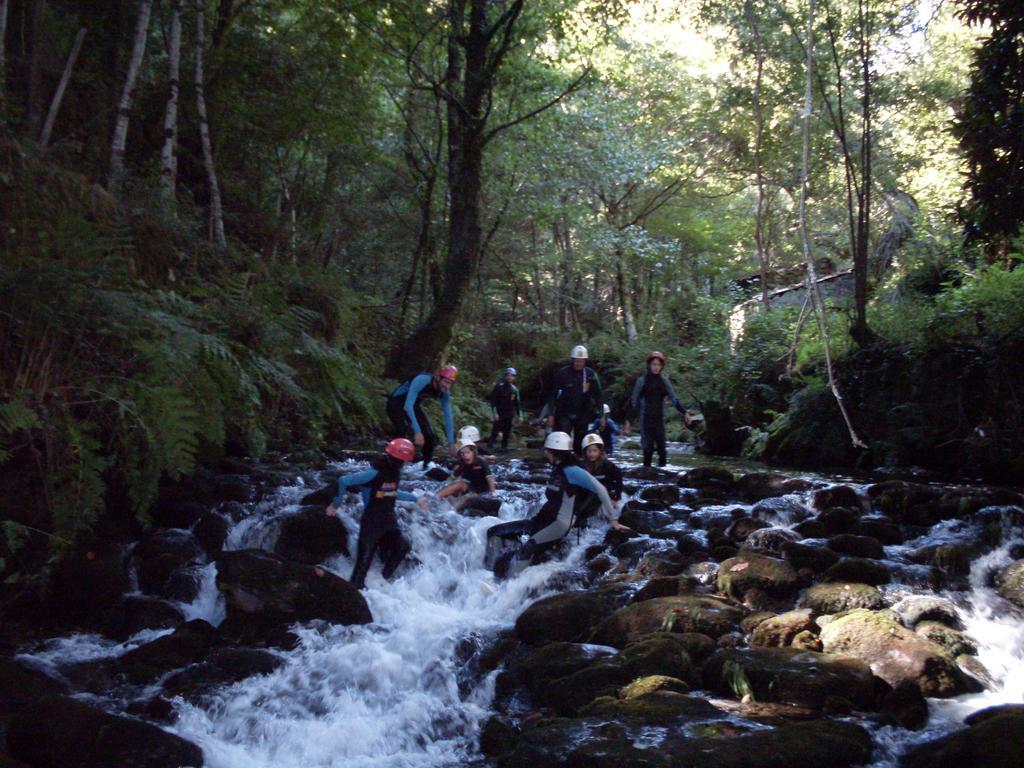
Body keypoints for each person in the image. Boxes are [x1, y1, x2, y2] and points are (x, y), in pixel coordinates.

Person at [484, 431, 628, 580]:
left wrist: (613, 521)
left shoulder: (573, 471)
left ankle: (504, 585)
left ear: (554, 451)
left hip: (557, 525)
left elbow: (601, 490)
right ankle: (487, 574)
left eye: (547, 450)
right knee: (494, 532)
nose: (546, 453)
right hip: (540, 521)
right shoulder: (558, 468)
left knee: (528, 548)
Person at [326, 438, 428, 589]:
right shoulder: (373, 474)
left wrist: (415, 499)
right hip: (371, 525)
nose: (406, 464)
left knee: (403, 546)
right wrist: (335, 504)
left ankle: (383, 580)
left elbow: (392, 492)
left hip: (389, 522)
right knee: (360, 571)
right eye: (405, 461)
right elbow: (343, 480)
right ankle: (357, 596)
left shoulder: (395, 473)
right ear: (398, 460)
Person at [625, 351, 693, 468]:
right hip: (645, 421)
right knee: (648, 450)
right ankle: (647, 479)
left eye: (658, 365)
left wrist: (685, 412)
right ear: (649, 365)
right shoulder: (642, 381)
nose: (656, 367)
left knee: (662, 451)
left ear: (661, 366)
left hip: (659, 421)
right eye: (653, 364)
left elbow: (674, 399)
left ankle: (663, 482)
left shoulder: (664, 381)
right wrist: (628, 421)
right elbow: (633, 402)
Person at [387, 365, 458, 468]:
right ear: (438, 378)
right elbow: (407, 406)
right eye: (446, 382)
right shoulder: (422, 380)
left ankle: (425, 467)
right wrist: (417, 431)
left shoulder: (444, 393)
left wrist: (451, 443)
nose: (447, 387)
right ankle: (394, 464)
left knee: (429, 436)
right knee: (401, 429)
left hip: (413, 406)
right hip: (396, 402)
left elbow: (448, 417)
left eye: (450, 383)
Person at [547, 345, 604, 456]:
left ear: (585, 361)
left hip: (583, 412)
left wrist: (601, 414)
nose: (579, 363)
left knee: (580, 440)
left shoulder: (590, 374)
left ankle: (578, 463)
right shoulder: (562, 373)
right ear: (572, 360)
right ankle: (561, 462)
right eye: (576, 361)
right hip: (564, 412)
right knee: (563, 438)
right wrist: (551, 414)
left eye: (581, 361)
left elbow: (598, 395)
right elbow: (553, 395)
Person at [437, 439, 496, 509]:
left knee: (468, 496)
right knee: (459, 484)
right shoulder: (462, 465)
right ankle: (434, 497)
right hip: (471, 488)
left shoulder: (481, 462)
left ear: (473, 452)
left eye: (467, 452)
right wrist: (446, 486)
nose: (465, 455)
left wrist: (493, 495)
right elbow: (451, 478)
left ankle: (451, 511)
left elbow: (489, 479)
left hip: (483, 491)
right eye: (462, 454)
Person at [578, 433, 623, 525]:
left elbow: (619, 478)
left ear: (600, 451)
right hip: (588, 495)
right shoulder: (581, 466)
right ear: (584, 452)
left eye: (595, 451)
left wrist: (616, 498)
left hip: (606, 495)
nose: (592, 454)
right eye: (589, 451)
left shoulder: (607, 465)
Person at [487, 367, 522, 451]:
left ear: (514, 377)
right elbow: (493, 400)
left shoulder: (514, 389)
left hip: (509, 413)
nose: (510, 377)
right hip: (499, 412)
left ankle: (504, 447)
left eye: (512, 376)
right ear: (505, 376)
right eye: (508, 375)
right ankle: (490, 446)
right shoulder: (499, 386)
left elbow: (517, 403)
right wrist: (495, 412)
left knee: (507, 431)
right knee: (495, 430)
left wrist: (520, 415)